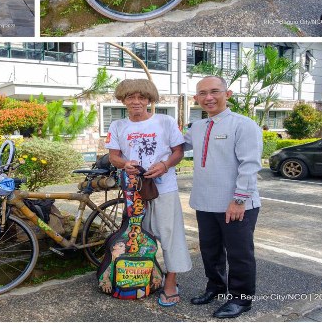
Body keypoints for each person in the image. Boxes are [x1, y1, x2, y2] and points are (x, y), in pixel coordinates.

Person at [105, 78, 192, 307]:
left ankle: (171, 282)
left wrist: (164, 165)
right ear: (123, 100)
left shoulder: (165, 121)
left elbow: (178, 151)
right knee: (138, 236)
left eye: (141, 97)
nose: (136, 102)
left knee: (170, 236)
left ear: (149, 100)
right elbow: (114, 155)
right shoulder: (118, 126)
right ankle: (146, 276)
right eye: (130, 97)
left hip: (164, 188)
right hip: (134, 191)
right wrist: (125, 164)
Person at [185, 76, 262, 319]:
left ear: (227, 94)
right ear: (196, 99)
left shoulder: (243, 125)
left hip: (236, 204)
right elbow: (174, 145)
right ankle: (216, 287)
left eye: (214, 91)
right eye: (202, 93)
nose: (208, 97)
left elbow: (250, 165)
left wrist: (239, 200)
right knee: (210, 251)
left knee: (239, 254)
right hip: (205, 202)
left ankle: (241, 299)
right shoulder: (197, 128)